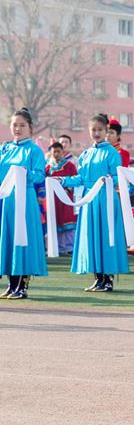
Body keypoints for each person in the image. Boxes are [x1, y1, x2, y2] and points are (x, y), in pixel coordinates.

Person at [58, 114, 131, 291]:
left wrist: (107, 181)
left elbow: (118, 177)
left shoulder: (112, 153)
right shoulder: (86, 154)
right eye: (94, 130)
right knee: (92, 238)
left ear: (106, 131)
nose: (97, 133)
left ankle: (108, 278)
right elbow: (81, 178)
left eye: (100, 129)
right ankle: (98, 278)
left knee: (106, 237)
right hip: (89, 200)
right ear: (89, 131)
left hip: (105, 200)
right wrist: (63, 181)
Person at [0, 109, 48, 299]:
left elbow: (39, 176)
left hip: (24, 199)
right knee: (9, 240)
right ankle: (11, 285)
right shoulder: (5, 148)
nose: (17, 129)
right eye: (14, 125)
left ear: (30, 128)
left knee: (23, 240)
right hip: (6, 200)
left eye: (22, 125)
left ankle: (21, 285)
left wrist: (23, 172)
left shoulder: (34, 150)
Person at [45, 142, 78, 255]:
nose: (56, 154)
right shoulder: (48, 167)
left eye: (58, 151)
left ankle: (69, 247)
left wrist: (66, 189)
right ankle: (56, 247)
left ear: (62, 152)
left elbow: (75, 179)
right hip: (53, 199)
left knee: (67, 221)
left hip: (66, 198)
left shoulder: (70, 166)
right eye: (54, 151)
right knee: (55, 221)